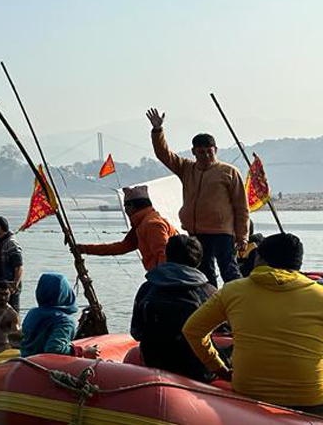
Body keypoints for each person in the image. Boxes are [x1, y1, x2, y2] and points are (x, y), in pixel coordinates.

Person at [183, 233, 323, 414]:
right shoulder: (319, 296)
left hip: (249, 393)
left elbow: (192, 330)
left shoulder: (232, 291)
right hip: (311, 398)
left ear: (259, 259)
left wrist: (219, 368)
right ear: (298, 264)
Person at [147, 108, 248, 286]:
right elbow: (164, 155)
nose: (206, 156)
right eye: (201, 152)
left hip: (223, 232)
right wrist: (157, 131)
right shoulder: (187, 168)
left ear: (215, 149)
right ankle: (211, 306)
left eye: (210, 151)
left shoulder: (229, 172)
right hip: (196, 232)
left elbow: (241, 207)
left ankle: (239, 305)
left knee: (230, 272)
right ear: (194, 152)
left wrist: (242, 236)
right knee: (204, 274)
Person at [129, 235, 215, 381]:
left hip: (154, 362)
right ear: (199, 260)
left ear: (167, 256)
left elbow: (136, 332)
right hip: (197, 369)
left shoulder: (147, 288)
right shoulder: (209, 292)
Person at [78, 186, 176, 272]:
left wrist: (163, 282)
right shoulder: (142, 224)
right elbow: (122, 247)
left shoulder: (152, 224)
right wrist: (85, 249)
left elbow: (164, 255)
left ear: (131, 206)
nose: (125, 211)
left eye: (125, 206)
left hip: (168, 278)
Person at [20, 273, 79, 357]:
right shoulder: (65, 321)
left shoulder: (32, 313)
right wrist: (80, 351)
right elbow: (54, 349)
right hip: (46, 367)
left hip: (26, 362)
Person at [0, 216, 23, 311]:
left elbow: (19, 267)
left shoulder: (11, 243)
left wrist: (15, 285)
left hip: (10, 286)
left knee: (13, 312)